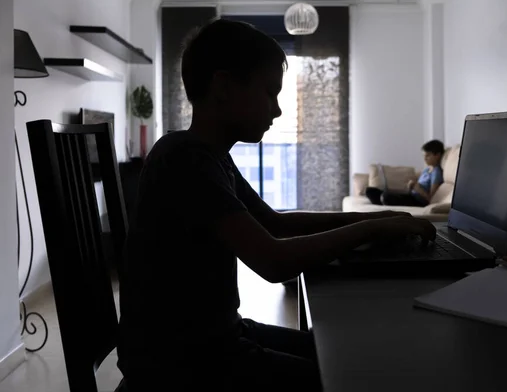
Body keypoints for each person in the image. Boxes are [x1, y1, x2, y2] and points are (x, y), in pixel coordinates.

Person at [116, 19, 436, 392]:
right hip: (181, 362)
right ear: (222, 87)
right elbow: (273, 261)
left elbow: (273, 223)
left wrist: (375, 217)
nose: (278, 110)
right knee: (351, 372)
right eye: (269, 93)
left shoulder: (209, 156)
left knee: (346, 350)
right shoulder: (186, 160)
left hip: (211, 337)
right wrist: (371, 228)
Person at [366, 140, 445, 207]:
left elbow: (431, 199)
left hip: (418, 201)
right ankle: (383, 201)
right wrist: (412, 186)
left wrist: (417, 188)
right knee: (370, 191)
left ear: (437, 155)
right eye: (424, 156)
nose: (425, 159)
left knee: (386, 197)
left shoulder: (436, 172)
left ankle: (383, 201)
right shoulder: (427, 169)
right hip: (411, 195)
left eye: (428, 156)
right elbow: (418, 186)